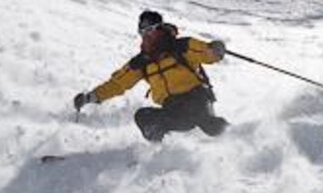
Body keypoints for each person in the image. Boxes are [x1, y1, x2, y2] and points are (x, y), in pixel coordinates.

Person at [73, 10, 229, 142]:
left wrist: (215, 50)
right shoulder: (142, 62)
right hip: (173, 107)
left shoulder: (181, 46)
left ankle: (238, 139)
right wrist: (90, 97)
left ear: (159, 29)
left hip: (196, 99)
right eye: (142, 32)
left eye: (149, 30)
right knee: (144, 118)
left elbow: (206, 53)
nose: (145, 36)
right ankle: (161, 158)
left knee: (210, 126)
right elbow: (117, 84)